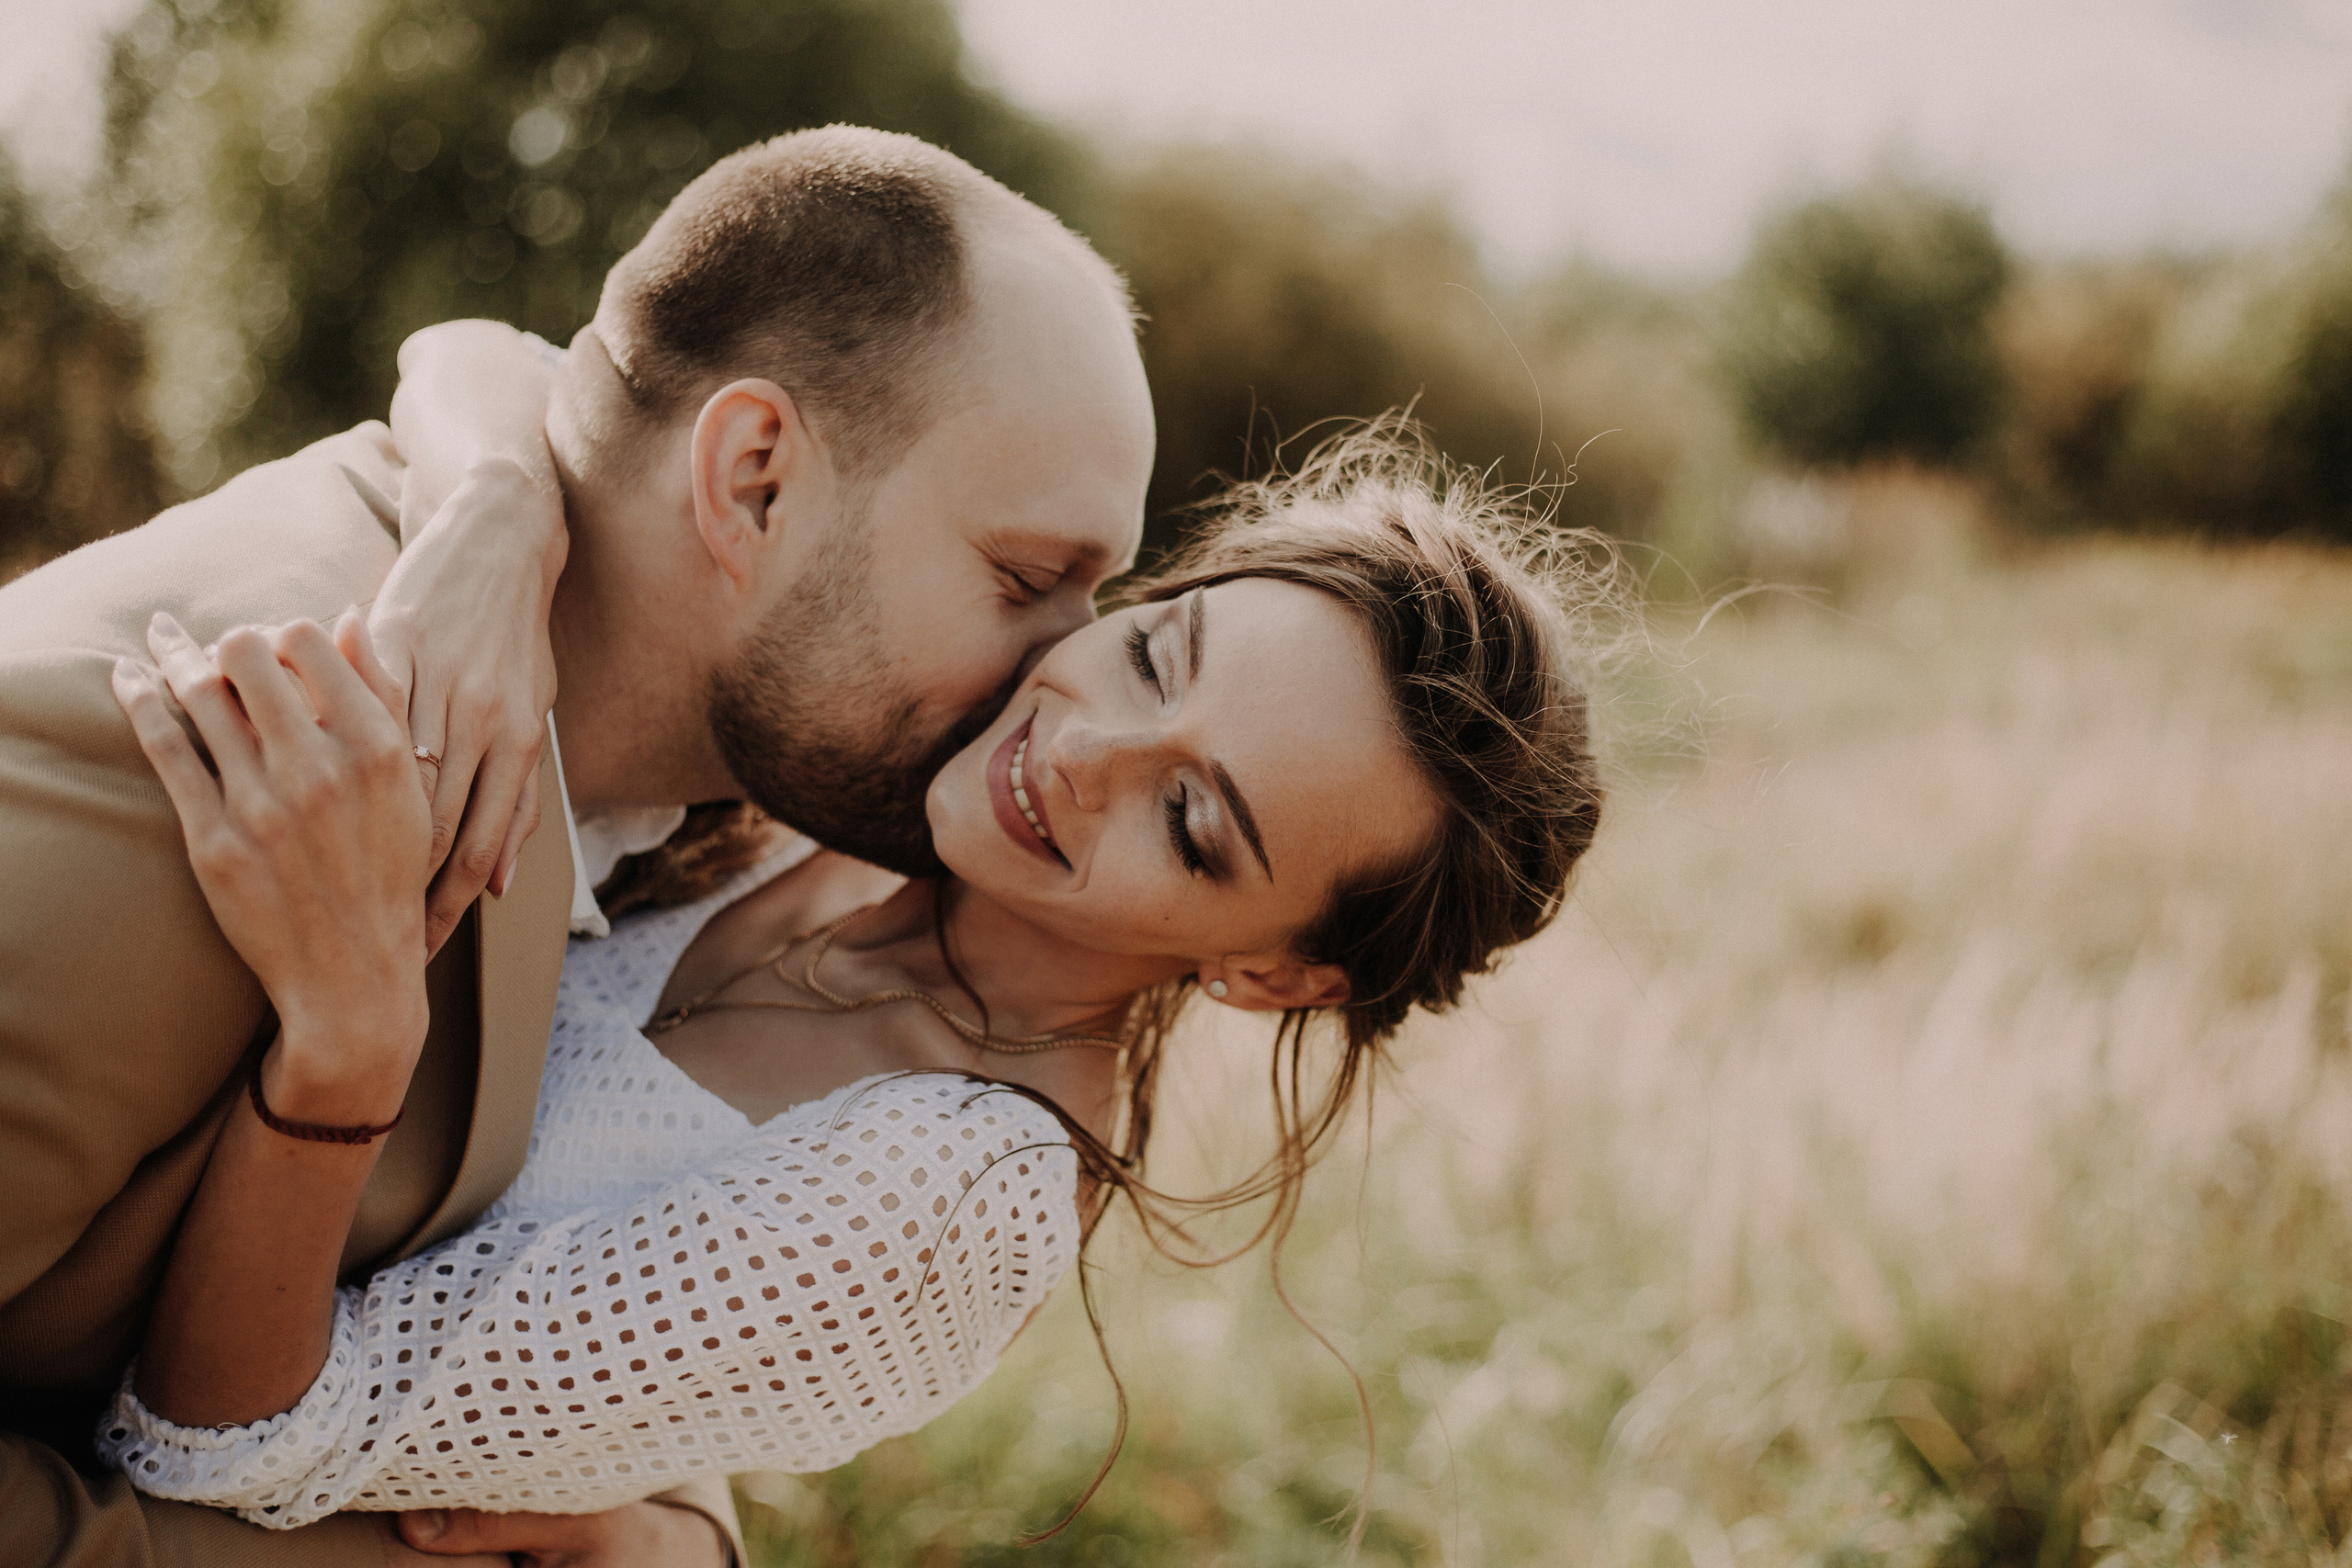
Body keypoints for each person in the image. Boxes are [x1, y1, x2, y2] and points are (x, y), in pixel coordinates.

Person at [90, 428, 1609, 1551]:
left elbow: (227, 1443)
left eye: (1192, 822)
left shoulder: (942, 1205)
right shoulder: (886, 773)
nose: (1081, 753)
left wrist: (347, 1042)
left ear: (1272, 972)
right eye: (1155, 658)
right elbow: (554, 372)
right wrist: (500, 505)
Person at [0, 125, 1151, 1568]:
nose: (1063, 673)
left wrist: (678, 1536)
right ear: (753, 480)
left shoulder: (698, 825)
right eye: (1028, 578)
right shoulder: (205, 774)